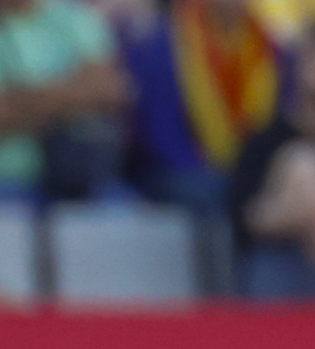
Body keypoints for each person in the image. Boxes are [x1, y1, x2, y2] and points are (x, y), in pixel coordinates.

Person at [0, 0, 128, 199]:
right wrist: (73, 94)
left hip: (83, 177)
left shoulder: (71, 16)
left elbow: (112, 91)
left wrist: (19, 104)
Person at [121, 0, 287, 213]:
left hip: (243, 167)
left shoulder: (269, 50)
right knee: (215, 192)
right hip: (174, 168)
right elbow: (158, 135)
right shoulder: (164, 42)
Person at [228, 22, 315, 295]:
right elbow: (244, 219)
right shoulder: (266, 142)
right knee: (302, 165)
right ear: (300, 65)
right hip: (282, 261)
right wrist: (300, 212)